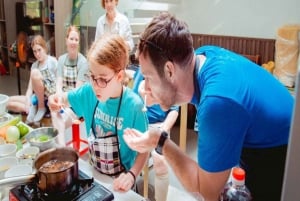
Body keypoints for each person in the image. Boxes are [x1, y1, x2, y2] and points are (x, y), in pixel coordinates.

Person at [123, 12, 294, 201]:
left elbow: (206, 191)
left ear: (169, 70)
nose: (144, 87)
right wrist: (159, 92)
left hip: (284, 162)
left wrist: (160, 141)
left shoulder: (216, 103)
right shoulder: (203, 56)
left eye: (148, 77)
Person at [48, 34, 149, 192]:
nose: (96, 85)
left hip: (121, 182)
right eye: (92, 77)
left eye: (102, 79)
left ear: (119, 76)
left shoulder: (134, 106)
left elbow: (145, 150)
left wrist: (132, 175)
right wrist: (54, 99)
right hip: (93, 175)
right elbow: (63, 99)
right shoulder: (89, 92)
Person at [132, 68, 179, 201]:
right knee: (127, 155)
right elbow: (131, 99)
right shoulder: (142, 70)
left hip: (160, 125)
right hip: (138, 120)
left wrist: (163, 130)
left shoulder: (170, 76)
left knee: (160, 162)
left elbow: (174, 110)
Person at [51, 25, 88, 144]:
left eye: (76, 40)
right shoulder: (61, 59)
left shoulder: (83, 62)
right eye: (71, 39)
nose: (74, 42)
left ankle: (60, 148)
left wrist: (64, 101)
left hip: (76, 102)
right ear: (66, 40)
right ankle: (61, 147)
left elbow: (77, 91)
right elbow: (59, 83)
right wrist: (59, 98)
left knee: (58, 120)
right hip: (63, 99)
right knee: (54, 111)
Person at [7, 35, 57, 123]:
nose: (37, 54)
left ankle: (40, 108)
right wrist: (27, 99)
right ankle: (31, 108)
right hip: (37, 97)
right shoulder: (34, 65)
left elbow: (59, 83)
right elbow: (30, 88)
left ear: (44, 48)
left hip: (48, 98)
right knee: (9, 101)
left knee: (35, 73)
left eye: (39, 50)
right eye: (34, 52)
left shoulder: (52, 61)